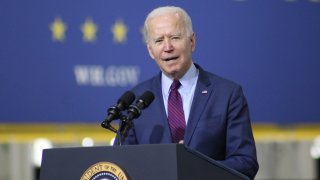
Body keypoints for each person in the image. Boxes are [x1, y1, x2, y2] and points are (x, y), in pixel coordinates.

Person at [116, 6, 259, 179]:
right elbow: (121, 165)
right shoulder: (136, 101)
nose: (167, 47)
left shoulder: (227, 94)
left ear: (192, 42)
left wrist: (196, 167)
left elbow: (245, 163)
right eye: (159, 40)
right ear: (150, 50)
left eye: (175, 37)